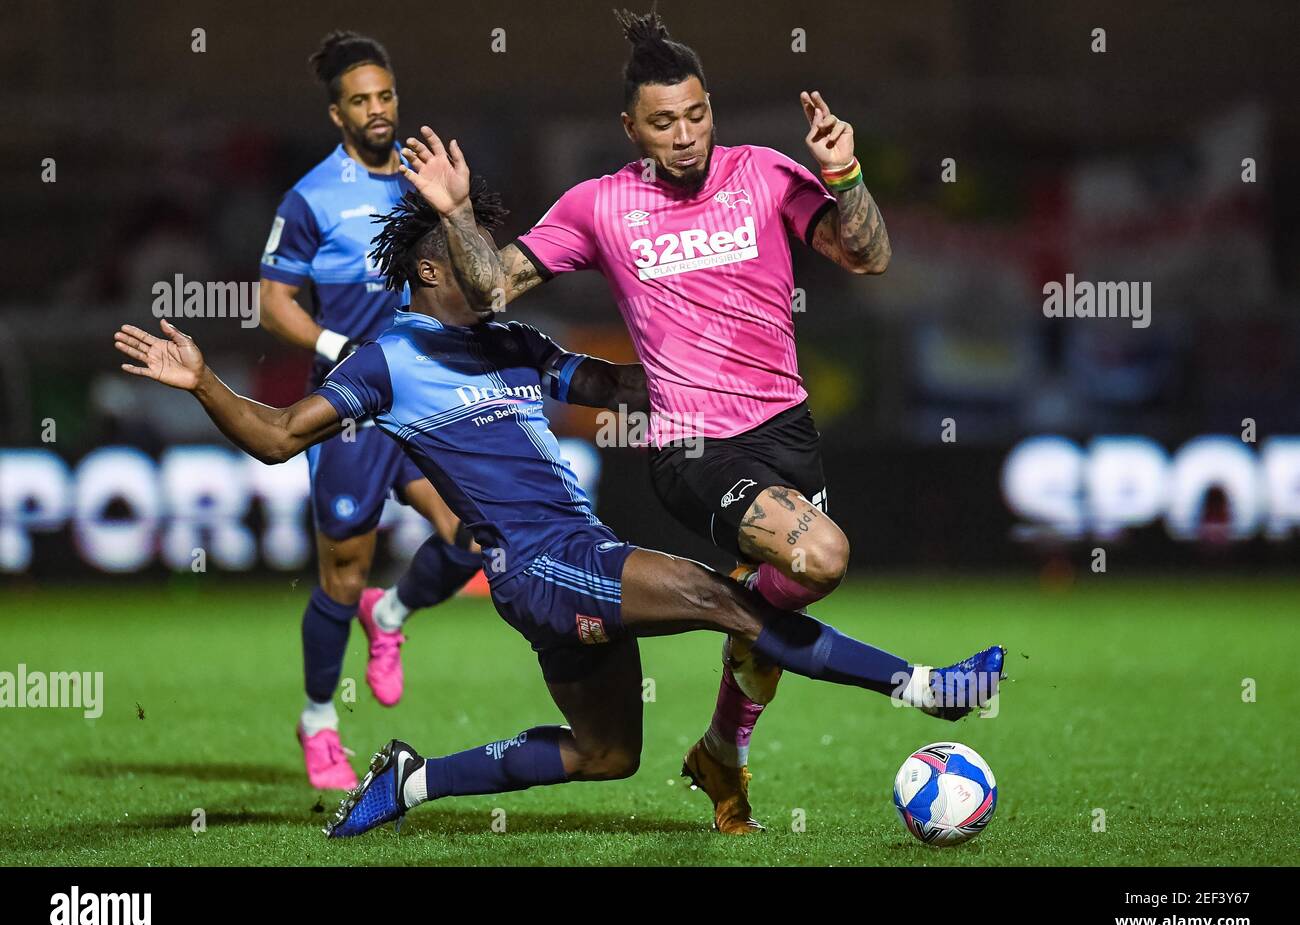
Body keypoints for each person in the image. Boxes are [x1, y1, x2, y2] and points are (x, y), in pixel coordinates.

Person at [113, 185, 1003, 840]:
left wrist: (702, 336)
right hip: (540, 563)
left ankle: (413, 782)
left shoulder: (510, 340)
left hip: (574, 553)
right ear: (432, 268)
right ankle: (927, 689)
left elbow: (616, 386)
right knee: (720, 599)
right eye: (473, 258)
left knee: (606, 755)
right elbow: (274, 438)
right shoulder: (386, 362)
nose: (496, 273)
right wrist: (203, 383)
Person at [389, 7, 895, 832]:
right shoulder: (600, 206)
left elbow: (865, 253)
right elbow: (491, 292)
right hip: (690, 443)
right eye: (665, 123)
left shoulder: (764, 172)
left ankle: (721, 754)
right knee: (819, 557)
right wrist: (456, 213)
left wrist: (844, 177)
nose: (687, 135)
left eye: (697, 115)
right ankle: (893, 679)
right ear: (632, 129)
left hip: (786, 428)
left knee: (788, 598)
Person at [256, 32, 482, 790]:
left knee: (473, 534)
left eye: (385, 95)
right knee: (341, 575)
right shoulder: (312, 196)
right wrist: (333, 339)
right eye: (361, 100)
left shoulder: (425, 182)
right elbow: (273, 302)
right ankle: (319, 721)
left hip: (420, 393)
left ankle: (389, 620)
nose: (378, 109)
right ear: (337, 113)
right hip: (349, 401)